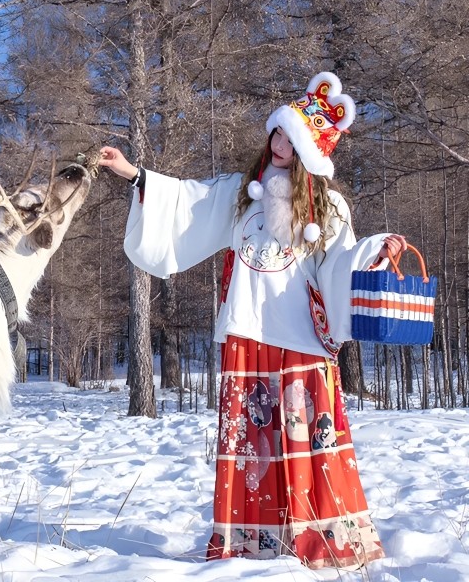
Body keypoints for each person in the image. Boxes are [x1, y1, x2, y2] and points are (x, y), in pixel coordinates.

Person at [99, 72, 404, 571]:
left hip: (301, 342)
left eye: (292, 139)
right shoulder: (243, 194)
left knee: (307, 440)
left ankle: (321, 540)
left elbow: (339, 265)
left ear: (309, 153)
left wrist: (374, 250)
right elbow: (186, 203)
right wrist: (135, 175)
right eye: (278, 133)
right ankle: (252, 544)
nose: (280, 144)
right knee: (252, 445)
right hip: (247, 335)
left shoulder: (329, 209)